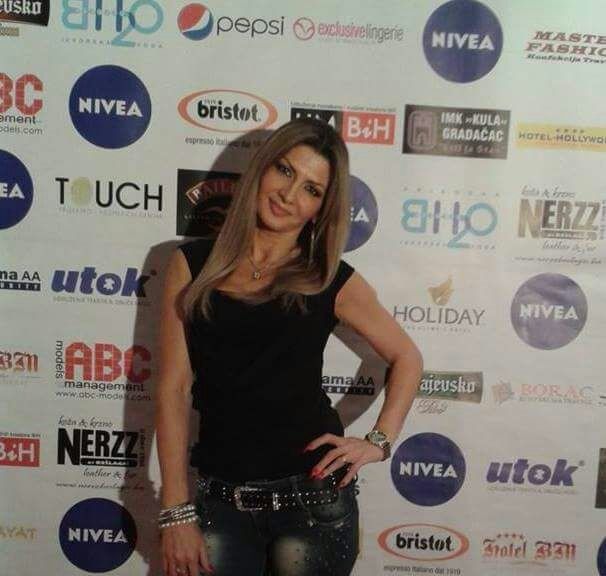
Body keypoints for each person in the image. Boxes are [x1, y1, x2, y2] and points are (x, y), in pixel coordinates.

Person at [155, 118, 423, 576]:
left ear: (320, 209)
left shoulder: (328, 278)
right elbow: (173, 390)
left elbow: (407, 357)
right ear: (261, 168)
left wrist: (378, 442)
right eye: (284, 170)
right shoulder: (191, 264)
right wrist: (175, 511)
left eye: (311, 189)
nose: (288, 194)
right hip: (220, 500)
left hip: (314, 501)